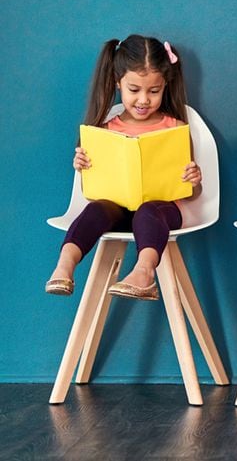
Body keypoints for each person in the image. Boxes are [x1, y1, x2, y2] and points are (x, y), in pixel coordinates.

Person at [45, 35, 202, 302]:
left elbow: (190, 194)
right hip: (116, 210)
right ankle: (65, 265)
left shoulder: (174, 128)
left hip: (160, 213)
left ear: (165, 85)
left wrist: (194, 180)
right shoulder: (105, 130)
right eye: (134, 90)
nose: (144, 100)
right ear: (118, 83)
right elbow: (93, 192)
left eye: (154, 91)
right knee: (95, 209)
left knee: (148, 210)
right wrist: (83, 169)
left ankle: (144, 272)